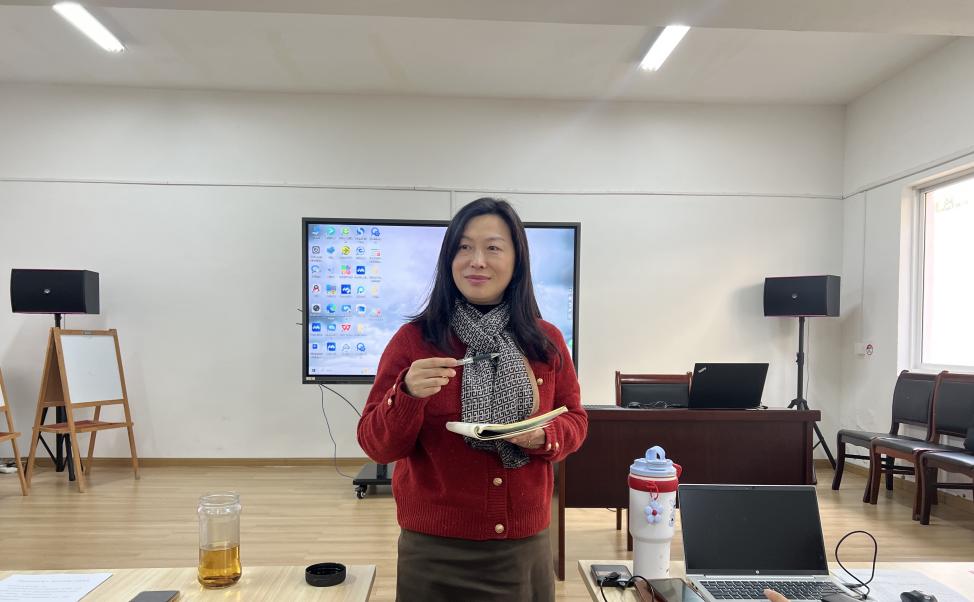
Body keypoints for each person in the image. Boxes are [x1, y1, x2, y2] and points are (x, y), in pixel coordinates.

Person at [357, 197, 587, 601]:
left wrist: (543, 437)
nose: (476, 261)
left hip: (522, 547)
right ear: (449, 259)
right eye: (464, 247)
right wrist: (406, 394)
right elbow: (377, 446)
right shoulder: (414, 341)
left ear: (517, 261)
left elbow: (575, 421)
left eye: (493, 247)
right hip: (433, 552)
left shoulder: (545, 340)